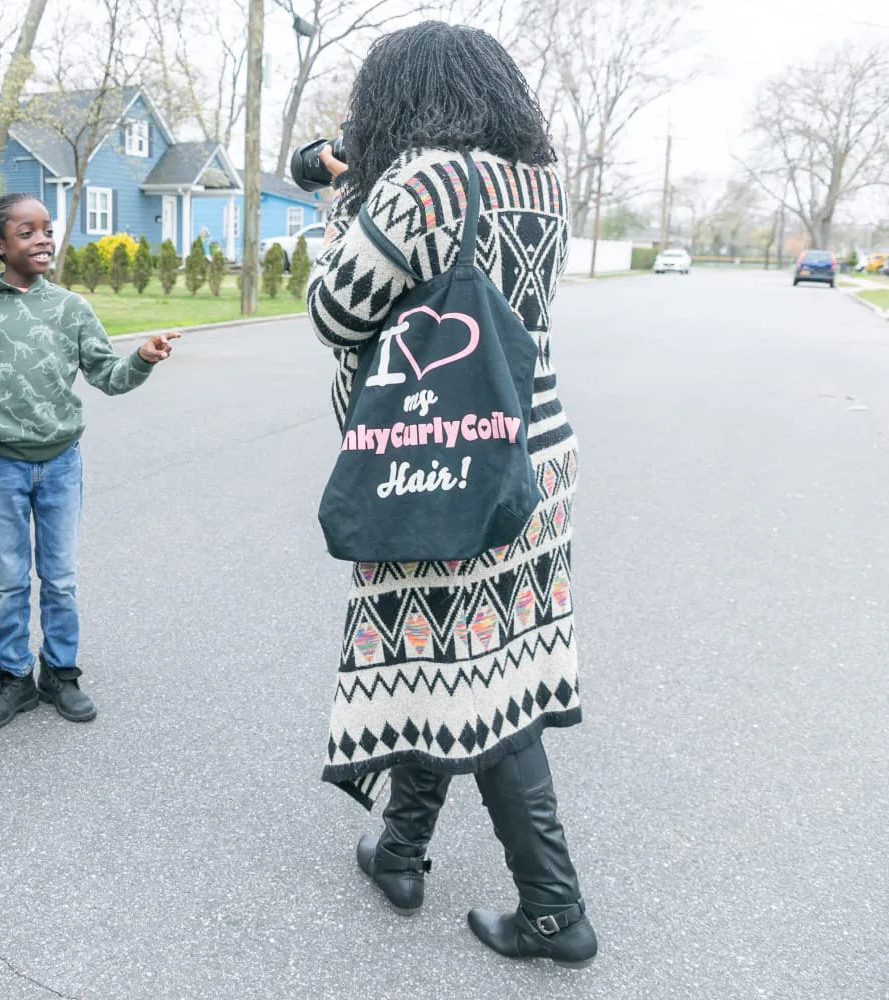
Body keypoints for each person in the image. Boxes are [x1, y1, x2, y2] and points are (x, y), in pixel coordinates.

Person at [306, 22, 597, 967]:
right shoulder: (541, 183)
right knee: (455, 654)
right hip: (532, 451)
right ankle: (400, 848)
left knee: (487, 680)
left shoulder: (421, 183)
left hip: (435, 458)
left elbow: (335, 312)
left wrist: (336, 206)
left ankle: (554, 908)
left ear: (400, 99)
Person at [0, 193, 178, 731]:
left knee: (61, 578)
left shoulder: (71, 309)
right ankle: (14, 677)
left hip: (62, 464)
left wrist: (141, 358)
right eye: (27, 232)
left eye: (47, 229)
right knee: (10, 579)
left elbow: (108, 378)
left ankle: (61, 674)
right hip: (2, 466)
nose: (43, 239)